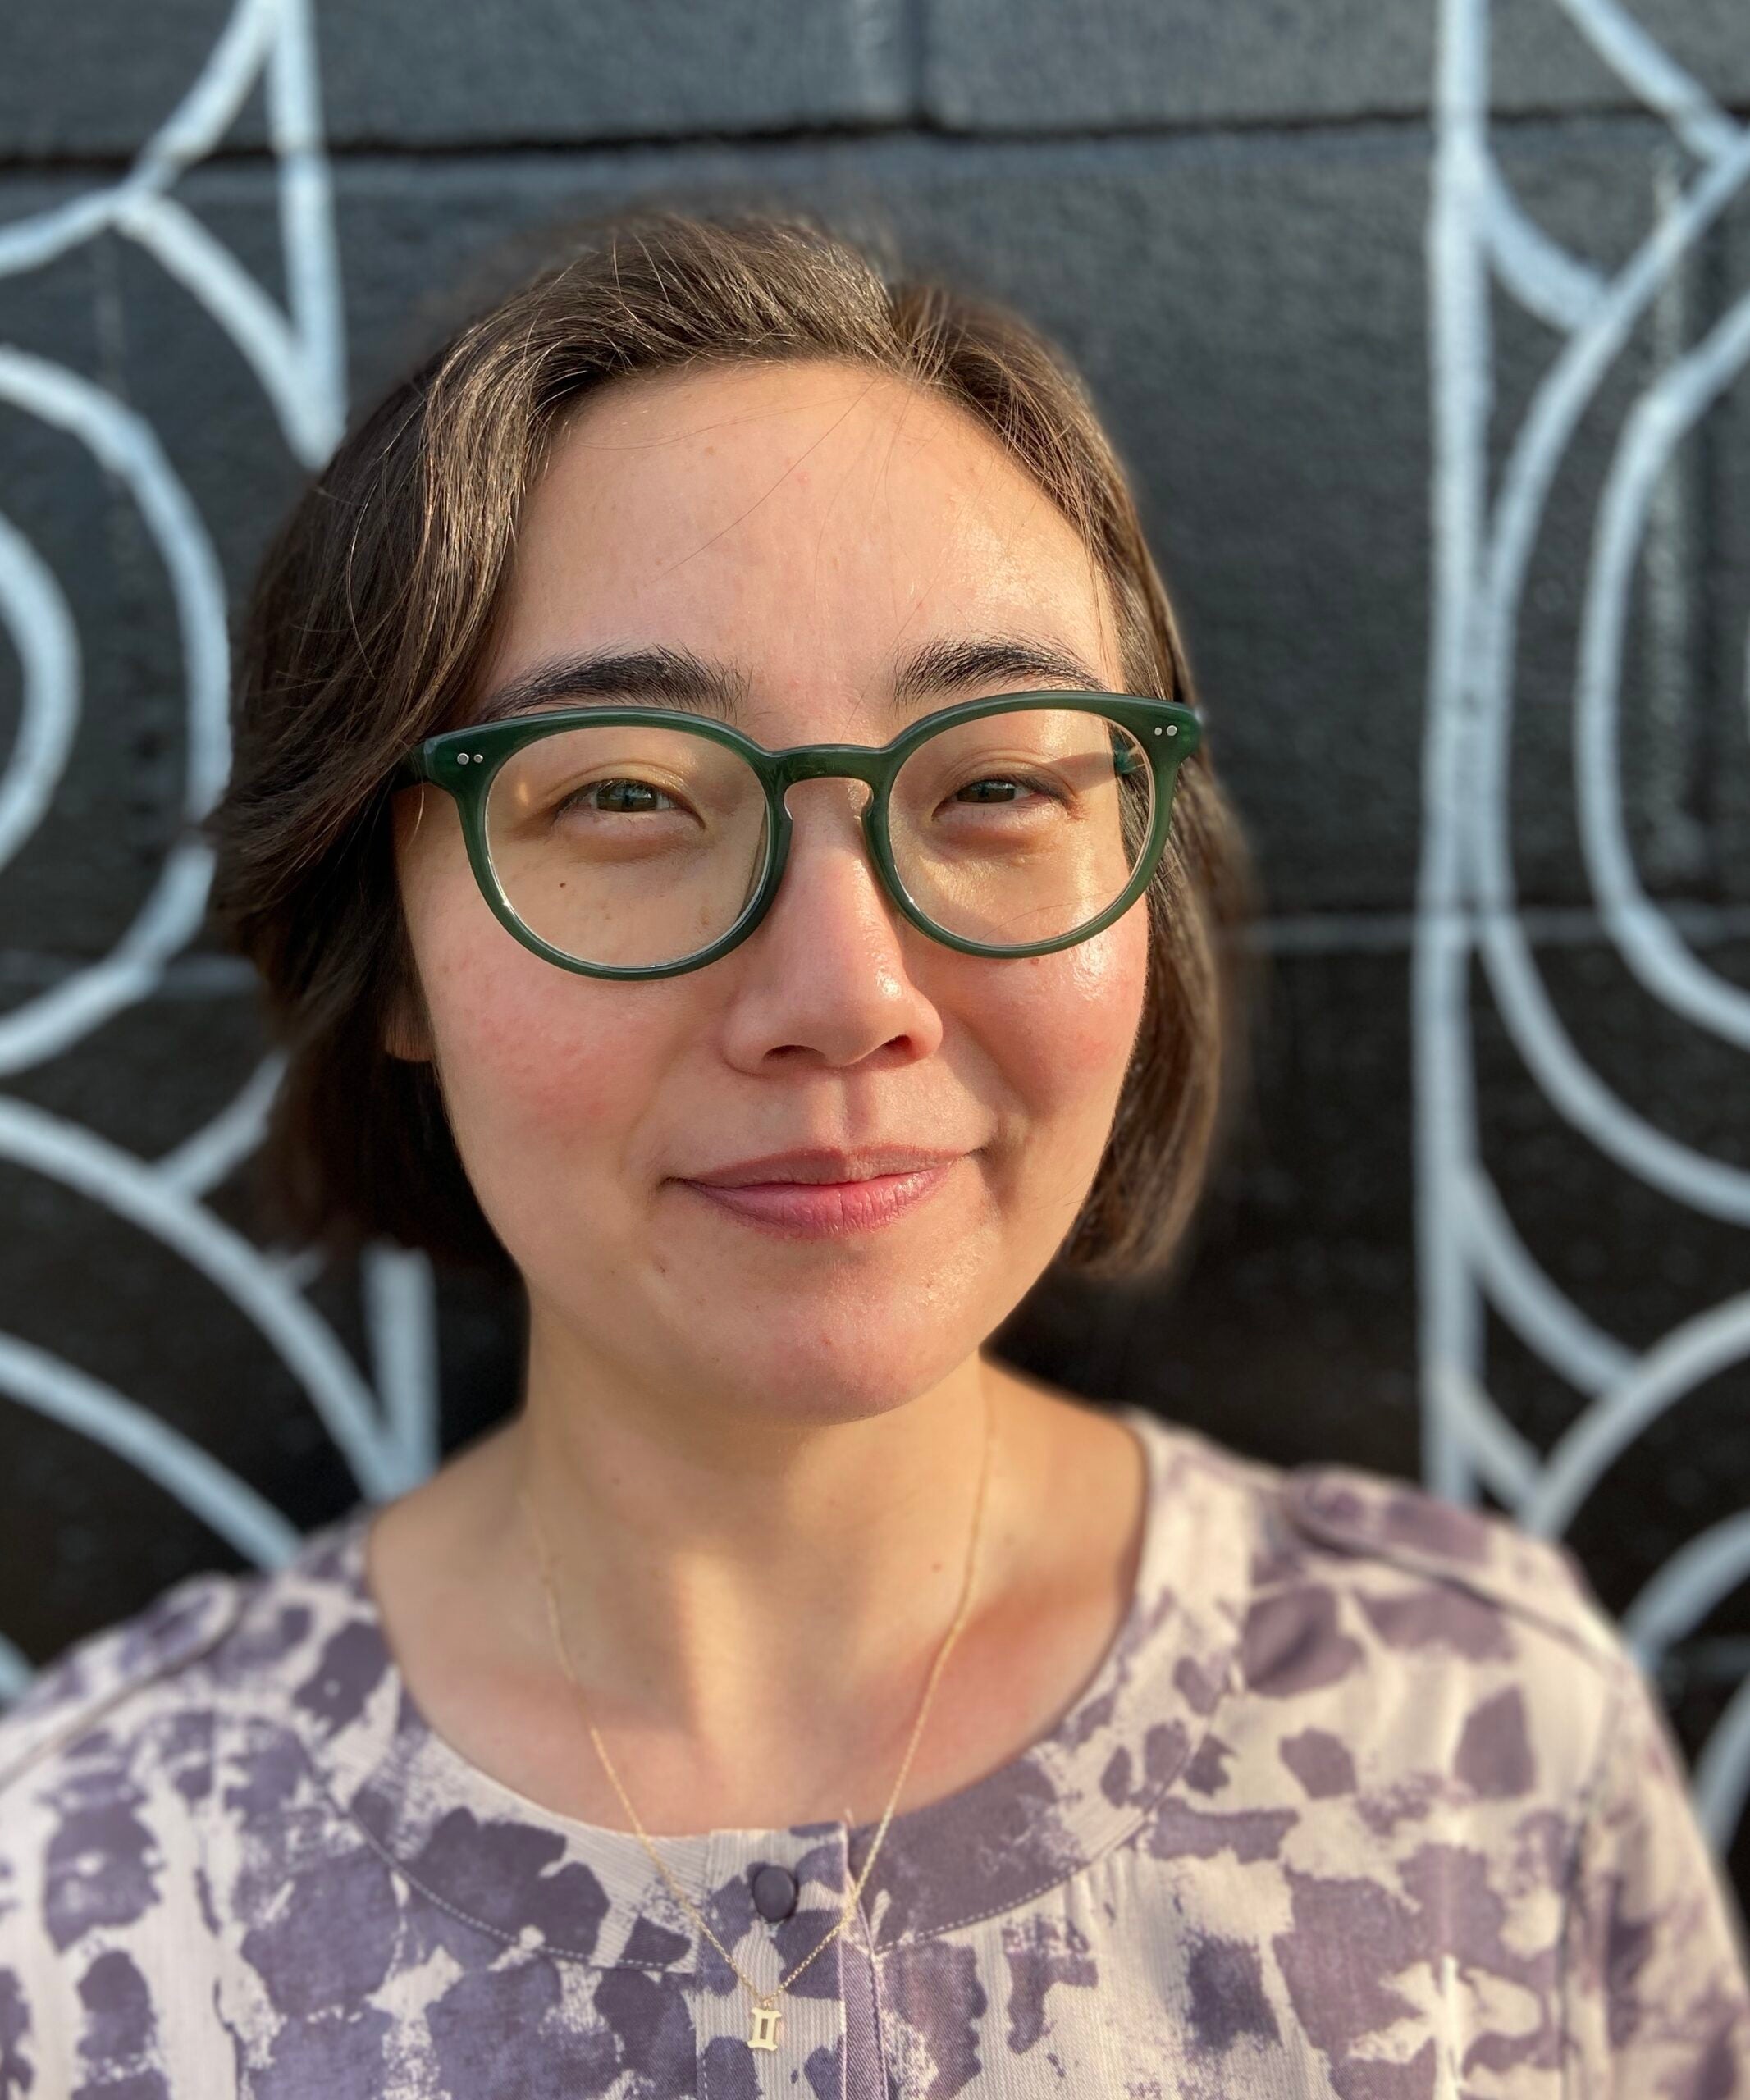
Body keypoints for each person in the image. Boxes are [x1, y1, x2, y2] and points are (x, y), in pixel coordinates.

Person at [0, 207, 1745, 2100]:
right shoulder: (94, 1881)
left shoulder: (1478, 1739)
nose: (841, 991)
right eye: (622, 795)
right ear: (387, 938)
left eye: (995, 780)